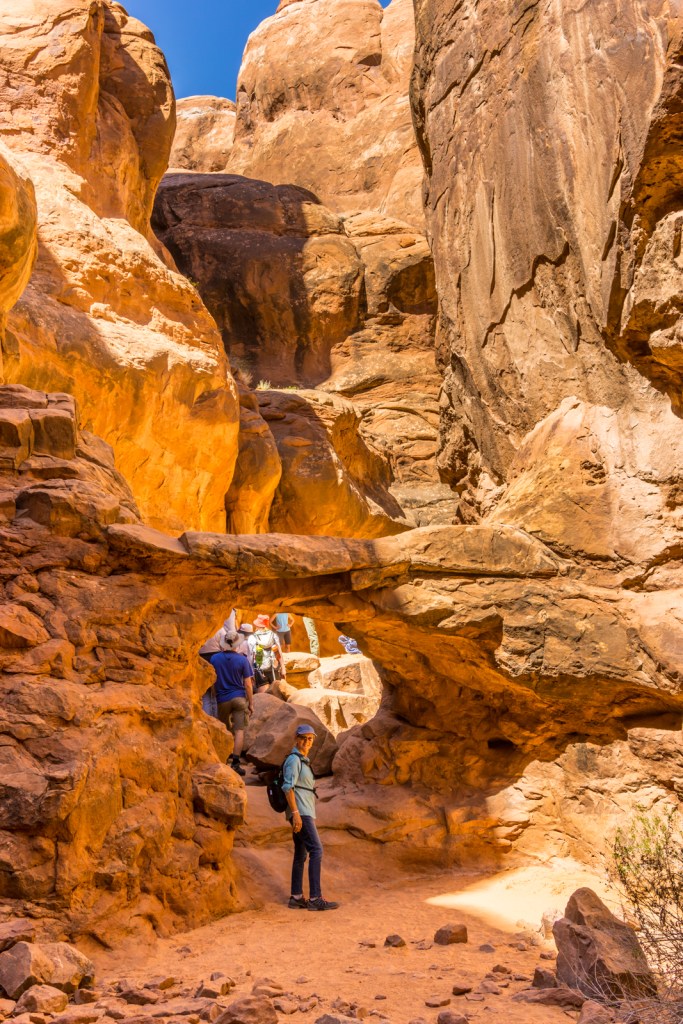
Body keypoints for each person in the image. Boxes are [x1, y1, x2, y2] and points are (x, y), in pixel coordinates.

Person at [283, 724, 339, 912]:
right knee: (317, 850)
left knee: (301, 854)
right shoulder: (293, 760)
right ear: (296, 738)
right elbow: (287, 787)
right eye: (303, 738)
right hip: (302, 813)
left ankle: (296, 897)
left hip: (304, 812)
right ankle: (315, 898)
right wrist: (296, 814)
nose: (307, 742)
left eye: (310, 739)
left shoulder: (302, 760)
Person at [212, 630, 254, 777]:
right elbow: (248, 684)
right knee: (239, 730)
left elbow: (211, 679)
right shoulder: (242, 660)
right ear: (237, 645)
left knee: (224, 729)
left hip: (222, 699)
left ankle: (222, 759)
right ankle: (235, 763)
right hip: (239, 698)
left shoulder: (215, 659)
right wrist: (251, 703)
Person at [198, 609, 237, 718]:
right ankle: (215, 719)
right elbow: (226, 647)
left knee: (205, 694)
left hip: (200, 660)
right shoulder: (219, 630)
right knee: (216, 694)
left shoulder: (200, 628)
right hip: (216, 660)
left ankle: (207, 718)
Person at [250, 614, 286, 692]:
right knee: (276, 692)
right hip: (274, 666)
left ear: (258, 625)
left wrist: (251, 672)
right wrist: (283, 668)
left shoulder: (253, 637)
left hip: (260, 667)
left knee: (263, 694)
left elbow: (251, 656)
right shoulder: (273, 635)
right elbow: (278, 653)